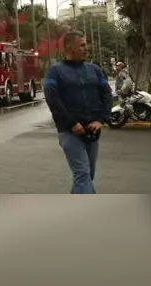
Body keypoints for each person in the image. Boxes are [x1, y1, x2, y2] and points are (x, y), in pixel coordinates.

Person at [43, 30, 112, 194]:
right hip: (70, 131)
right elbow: (52, 99)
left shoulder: (94, 69)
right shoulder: (55, 71)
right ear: (69, 47)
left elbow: (107, 94)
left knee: (88, 175)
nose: (86, 48)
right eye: (82, 45)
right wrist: (72, 123)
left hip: (93, 130)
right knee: (82, 173)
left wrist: (101, 120)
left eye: (86, 45)